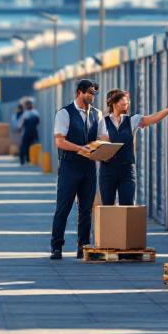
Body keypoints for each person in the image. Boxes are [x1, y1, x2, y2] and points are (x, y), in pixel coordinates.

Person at [49, 79, 102, 260]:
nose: (92, 96)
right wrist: (80, 148)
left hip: (89, 167)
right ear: (79, 92)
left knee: (86, 209)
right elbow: (60, 141)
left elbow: (102, 136)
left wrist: (103, 145)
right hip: (69, 166)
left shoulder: (97, 114)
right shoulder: (65, 113)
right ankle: (56, 247)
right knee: (63, 208)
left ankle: (83, 247)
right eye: (89, 93)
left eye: (94, 93)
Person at [98, 89, 168, 205]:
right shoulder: (102, 122)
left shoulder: (133, 119)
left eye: (127, 99)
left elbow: (154, 118)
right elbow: (96, 145)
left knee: (127, 206)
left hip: (127, 170)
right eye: (123, 99)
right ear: (113, 102)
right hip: (108, 171)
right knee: (107, 206)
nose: (127, 101)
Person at [16, 99, 41, 166]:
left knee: (25, 147)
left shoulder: (26, 113)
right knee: (30, 146)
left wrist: (19, 129)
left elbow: (21, 123)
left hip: (27, 133)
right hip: (33, 132)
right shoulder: (35, 112)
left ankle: (26, 160)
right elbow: (38, 122)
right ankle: (28, 160)